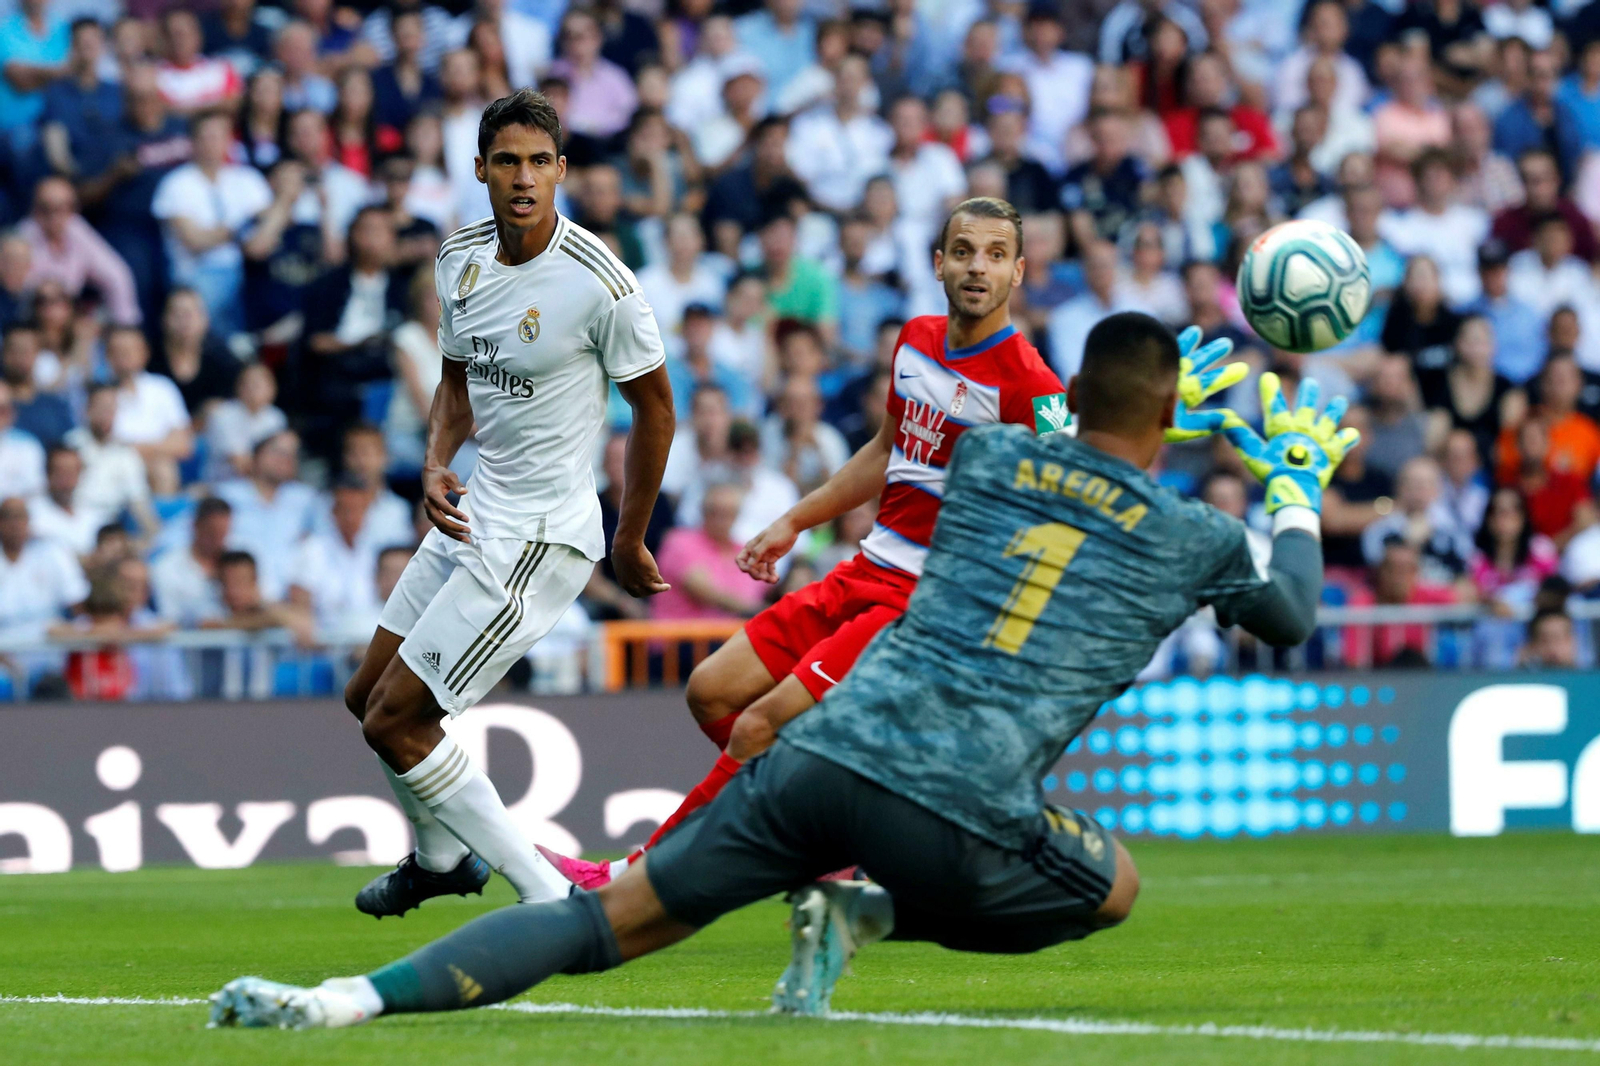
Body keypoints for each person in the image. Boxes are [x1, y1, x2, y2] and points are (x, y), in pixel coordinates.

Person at [209, 314, 1342, 1032]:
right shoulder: (1186, 531)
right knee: (1113, 886)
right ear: (1170, 423)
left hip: (820, 757)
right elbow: (1287, 612)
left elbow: (1038, 441)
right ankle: (869, 913)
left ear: (1080, 401)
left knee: (603, 927)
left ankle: (339, 1002)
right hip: (959, 797)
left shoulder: (995, 458)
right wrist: (1289, 488)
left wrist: (1129, 423)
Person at [543, 198, 1233, 891]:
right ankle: (823, 840)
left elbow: (1083, 484)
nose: (977, 267)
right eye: (963, 251)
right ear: (937, 263)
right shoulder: (916, 339)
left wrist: (1147, 423)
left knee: (757, 727)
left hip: (922, 603)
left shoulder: (1031, 383)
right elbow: (886, 448)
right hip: (866, 567)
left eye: (996, 255)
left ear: (1020, 272)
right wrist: (796, 520)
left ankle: (628, 880)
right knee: (710, 694)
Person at [336, 89, 673, 917]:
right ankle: (444, 860)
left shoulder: (603, 283)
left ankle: (549, 897)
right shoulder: (459, 260)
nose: (523, 178)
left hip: (540, 535)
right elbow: (458, 381)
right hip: (475, 512)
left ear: (561, 171)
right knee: (365, 698)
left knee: (398, 723)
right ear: (480, 169)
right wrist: (435, 461)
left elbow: (655, 408)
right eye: (507, 162)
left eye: (539, 162)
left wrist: (630, 540)